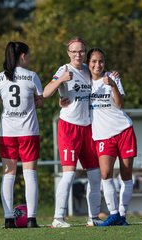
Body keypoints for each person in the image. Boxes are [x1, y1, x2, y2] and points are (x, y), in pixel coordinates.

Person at [43, 37, 102, 228]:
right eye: (74, 51)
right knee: (68, 174)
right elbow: (45, 93)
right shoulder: (64, 70)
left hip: (88, 128)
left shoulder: (87, 69)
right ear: (68, 53)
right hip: (69, 127)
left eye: (81, 51)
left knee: (94, 175)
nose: (78, 54)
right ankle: (58, 218)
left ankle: (93, 217)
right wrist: (60, 80)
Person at [87, 48, 137, 226]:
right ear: (88, 63)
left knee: (126, 175)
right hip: (102, 135)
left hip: (124, 130)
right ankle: (113, 213)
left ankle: (122, 215)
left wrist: (113, 85)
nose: (97, 65)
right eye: (93, 61)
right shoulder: (84, 81)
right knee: (105, 173)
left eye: (100, 61)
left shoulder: (112, 78)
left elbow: (120, 104)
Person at [0, 41, 43, 228]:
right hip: (28, 131)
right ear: (23, 56)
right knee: (30, 174)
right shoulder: (32, 76)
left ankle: (8, 219)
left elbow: (1, 103)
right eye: (28, 55)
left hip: (7, 132)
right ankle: (31, 219)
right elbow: (40, 102)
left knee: (9, 175)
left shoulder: (0, 78)